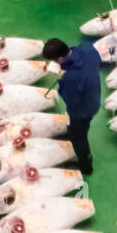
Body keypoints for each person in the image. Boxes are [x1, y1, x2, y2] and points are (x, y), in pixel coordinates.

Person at [41, 38, 101, 176]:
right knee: (78, 129)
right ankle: (73, 132)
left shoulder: (71, 78)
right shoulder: (86, 48)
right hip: (93, 94)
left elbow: (71, 101)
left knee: (79, 138)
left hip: (82, 111)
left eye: (55, 61)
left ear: (60, 58)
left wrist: (63, 79)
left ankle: (86, 166)